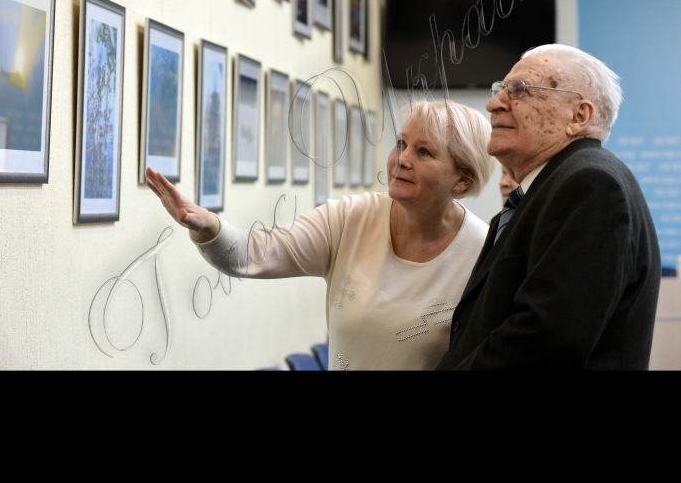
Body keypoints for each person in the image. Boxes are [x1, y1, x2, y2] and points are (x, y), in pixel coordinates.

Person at [147, 100, 495, 370]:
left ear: (462, 179)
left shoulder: (485, 252)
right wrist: (210, 227)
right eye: (401, 143)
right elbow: (258, 253)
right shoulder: (351, 218)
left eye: (423, 151)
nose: (402, 159)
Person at [436, 44, 661, 370]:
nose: (494, 103)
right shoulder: (544, 192)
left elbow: (545, 340)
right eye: (500, 89)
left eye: (518, 90)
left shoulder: (591, 185)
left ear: (578, 116)